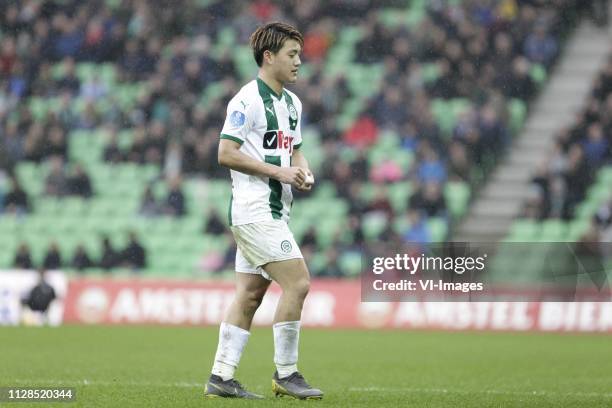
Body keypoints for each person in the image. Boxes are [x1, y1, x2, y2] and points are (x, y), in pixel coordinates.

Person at [204, 22, 323, 400]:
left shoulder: (292, 103)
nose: (298, 62)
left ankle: (220, 377)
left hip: (274, 212)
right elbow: (225, 153)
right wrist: (279, 171)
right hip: (255, 212)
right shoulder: (246, 100)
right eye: (292, 54)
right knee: (299, 282)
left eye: (299, 55)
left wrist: (302, 169)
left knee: (249, 296)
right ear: (268, 57)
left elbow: (295, 149)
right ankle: (286, 374)